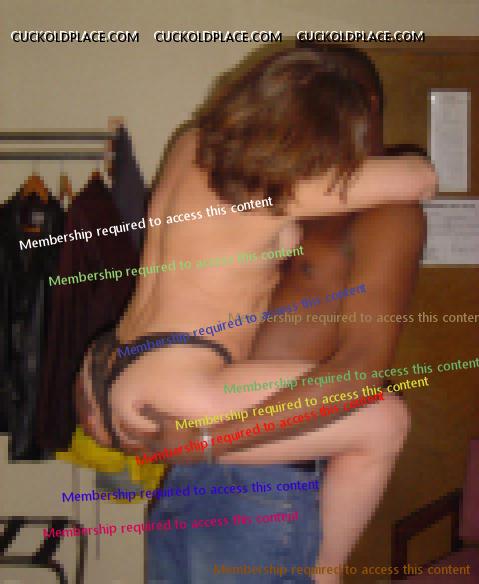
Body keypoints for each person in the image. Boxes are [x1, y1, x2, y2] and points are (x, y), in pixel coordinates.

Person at [77, 47, 436, 583]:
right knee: (385, 420)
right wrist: (208, 442)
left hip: (115, 373)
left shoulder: (191, 143)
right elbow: (420, 177)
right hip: (194, 405)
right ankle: (327, 573)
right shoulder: (275, 185)